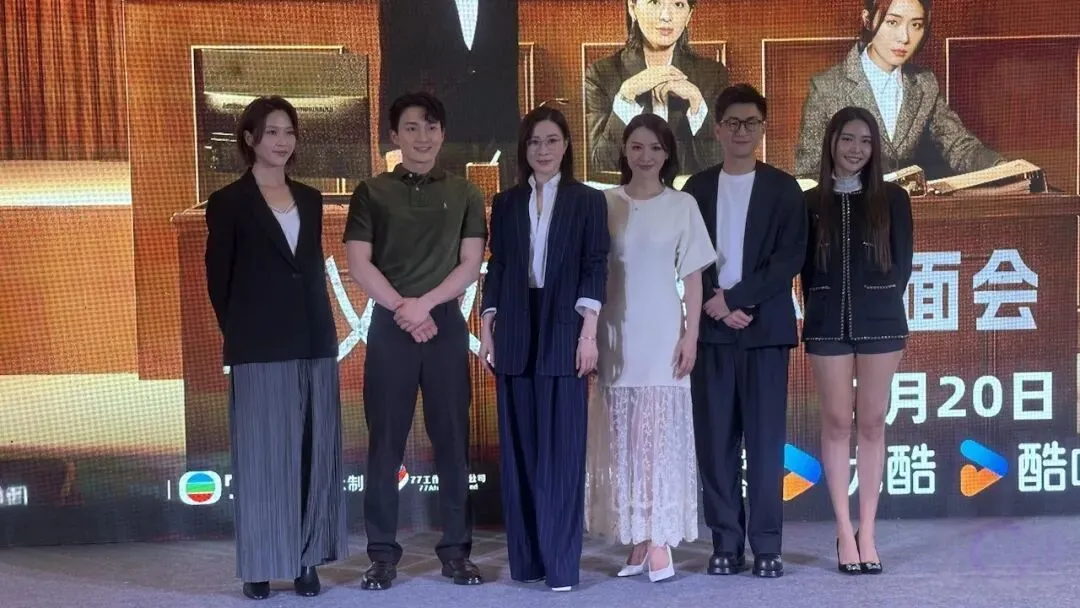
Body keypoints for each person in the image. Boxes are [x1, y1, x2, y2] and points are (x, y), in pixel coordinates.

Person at [204, 95, 348, 601]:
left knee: (313, 453)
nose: (282, 141)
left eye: (288, 131)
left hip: (314, 340)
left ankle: (307, 561)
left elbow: (306, 270)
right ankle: (262, 565)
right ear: (249, 139)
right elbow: (219, 283)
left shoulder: (310, 198)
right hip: (259, 345)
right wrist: (245, 332)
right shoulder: (228, 202)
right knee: (265, 459)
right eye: (271, 132)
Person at [343, 91, 487, 590]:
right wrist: (404, 308)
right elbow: (358, 262)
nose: (422, 137)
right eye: (411, 127)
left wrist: (424, 305)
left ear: (442, 133)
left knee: (452, 443)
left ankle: (457, 553)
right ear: (394, 136)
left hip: (444, 323)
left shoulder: (465, 192)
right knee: (385, 444)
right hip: (391, 325)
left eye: (430, 127)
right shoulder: (371, 191)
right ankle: (381, 555)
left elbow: (470, 262)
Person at [479, 106, 610, 592]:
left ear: (566, 146)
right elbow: (498, 266)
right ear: (524, 148)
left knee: (562, 452)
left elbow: (595, 265)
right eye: (534, 141)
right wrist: (487, 327)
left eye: (552, 140)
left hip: (565, 328)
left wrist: (588, 333)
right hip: (515, 329)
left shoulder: (587, 201)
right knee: (520, 453)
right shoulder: (506, 202)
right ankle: (528, 562)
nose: (543, 150)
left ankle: (560, 566)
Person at [682, 84, 807, 579]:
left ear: (763, 128)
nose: (741, 131)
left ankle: (767, 545)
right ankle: (726, 543)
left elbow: (789, 257)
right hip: (711, 332)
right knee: (716, 443)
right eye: (732, 123)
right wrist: (716, 303)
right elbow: (687, 256)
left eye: (751, 123)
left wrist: (735, 299)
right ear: (717, 129)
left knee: (765, 442)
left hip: (764, 329)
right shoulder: (696, 188)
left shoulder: (783, 188)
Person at [585, 113, 716, 583]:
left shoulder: (682, 205)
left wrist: (691, 334)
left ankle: (660, 538)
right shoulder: (603, 203)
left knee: (656, 436)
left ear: (667, 154)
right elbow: (590, 272)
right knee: (623, 438)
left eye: (655, 148)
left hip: (663, 331)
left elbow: (694, 279)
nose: (646, 156)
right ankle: (638, 536)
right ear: (624, 150)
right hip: (614, 331)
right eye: (637, 147)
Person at [801, 106, 914, 576]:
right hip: (827, 322)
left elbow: (903, 264)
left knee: (871, 422)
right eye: (847, 139)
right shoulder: (810, 202)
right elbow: (804, 270)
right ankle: (843, 531)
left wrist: (877, 300)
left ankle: (868, 531)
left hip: (881, 323)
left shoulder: (893, 198)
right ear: (831, 142)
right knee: (835, 422)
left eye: (866, 141)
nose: (856, 149)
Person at [794, 0, 1003, 180]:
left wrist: (1003, 168)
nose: (904, 37)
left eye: (916, 25)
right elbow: (809, 173)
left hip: (911, 208)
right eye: (892, 22)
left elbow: (959, 146)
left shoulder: (925, 83)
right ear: (867, 19)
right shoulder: (826, 87)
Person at [584, 0, 729, 180]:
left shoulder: (712, 75)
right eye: (654, 2)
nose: (666, 16)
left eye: (678, 4)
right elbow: (602, 165)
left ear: (689, 15)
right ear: (632, 8)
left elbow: (721, 167)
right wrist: (626, 97)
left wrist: (697, 105)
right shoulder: (601, 74)